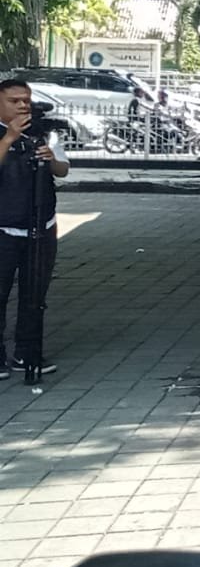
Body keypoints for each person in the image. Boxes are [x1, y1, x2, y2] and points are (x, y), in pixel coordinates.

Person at [0, 79, 70, 379]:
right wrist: (9, 138)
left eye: (26, 100)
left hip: (41, 227)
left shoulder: (42, 131)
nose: (22, 106)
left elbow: (63, 169)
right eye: (14, 101)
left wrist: (51, 159)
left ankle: (27, 353)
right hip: (3, 229)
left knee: (34, 295)